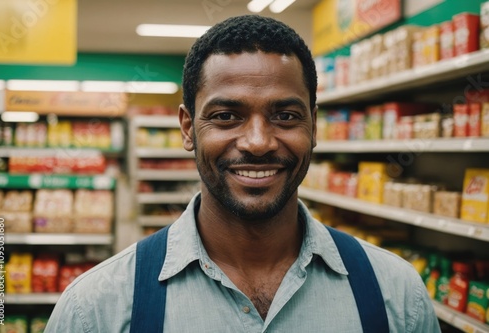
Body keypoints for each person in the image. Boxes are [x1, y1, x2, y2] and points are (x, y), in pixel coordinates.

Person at [45, 15, 441, 332]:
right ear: (187, 129)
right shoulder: (96, 309)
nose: (257, 142)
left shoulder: (397, 295)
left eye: (285, 116)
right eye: (226, 116)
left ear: (314, 127)